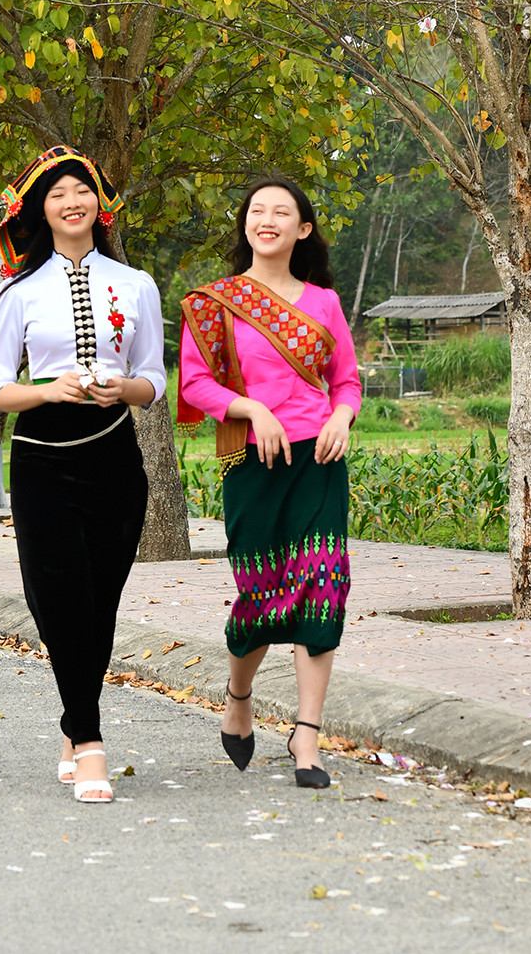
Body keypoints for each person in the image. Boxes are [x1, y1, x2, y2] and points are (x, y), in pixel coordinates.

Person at [0, 145, 166, 804]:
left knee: (99, 604)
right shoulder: (17, 294)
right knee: (57, 600)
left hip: (115, 456)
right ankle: (89, 745)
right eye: (57, 194)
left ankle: (72, 720)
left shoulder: (137, 284)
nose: (71, 202)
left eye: (80, 190)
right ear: (41, 211)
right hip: (41, 456)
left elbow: (155, 379)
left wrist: (127, 390)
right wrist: (48, 391)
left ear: (98, 203)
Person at [178, 173, 361, 788]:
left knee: (323, 585)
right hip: (254, 464)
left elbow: (347, 381)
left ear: (301, 229)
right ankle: (239, 696)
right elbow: (195, 384)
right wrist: (252, 409)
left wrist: (341, 415)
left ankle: (307, 736)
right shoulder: (215, 304)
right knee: (262, 596)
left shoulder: (325, 302)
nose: (268, 218)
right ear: (247, 225)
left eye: (282, 212)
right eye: (258, 210)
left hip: (319, 461)